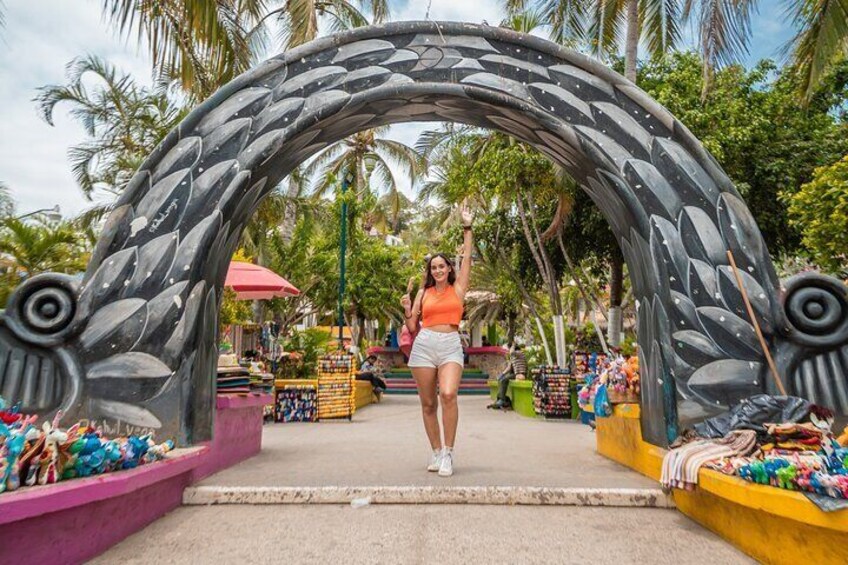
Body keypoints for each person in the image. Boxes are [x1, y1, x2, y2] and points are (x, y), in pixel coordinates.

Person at [400, 204, 474, 477]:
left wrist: (467, 227)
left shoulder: (458, 288)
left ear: (449, 268)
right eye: (433, 267)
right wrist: (408, 309)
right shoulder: (424, 293)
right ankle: (436, 451)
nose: (438, 270)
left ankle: (449, 453)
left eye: (442, 266)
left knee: (448, 394)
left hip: (450, 344)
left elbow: (467, 258)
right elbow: (412, 327)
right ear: (430, 271)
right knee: (429, 403)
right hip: (424, 345)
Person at [488, 344, 527, 410]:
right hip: (515, 374)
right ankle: (500, 399)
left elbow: (511, 352)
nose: (508, 351)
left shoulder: (520, 353)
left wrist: (513, 345)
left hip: (520, 374)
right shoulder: (513, 356)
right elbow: (509, 367)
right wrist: (502, 374)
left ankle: (502, 400)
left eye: (509, 349)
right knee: (502, 380)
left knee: (504, 380)